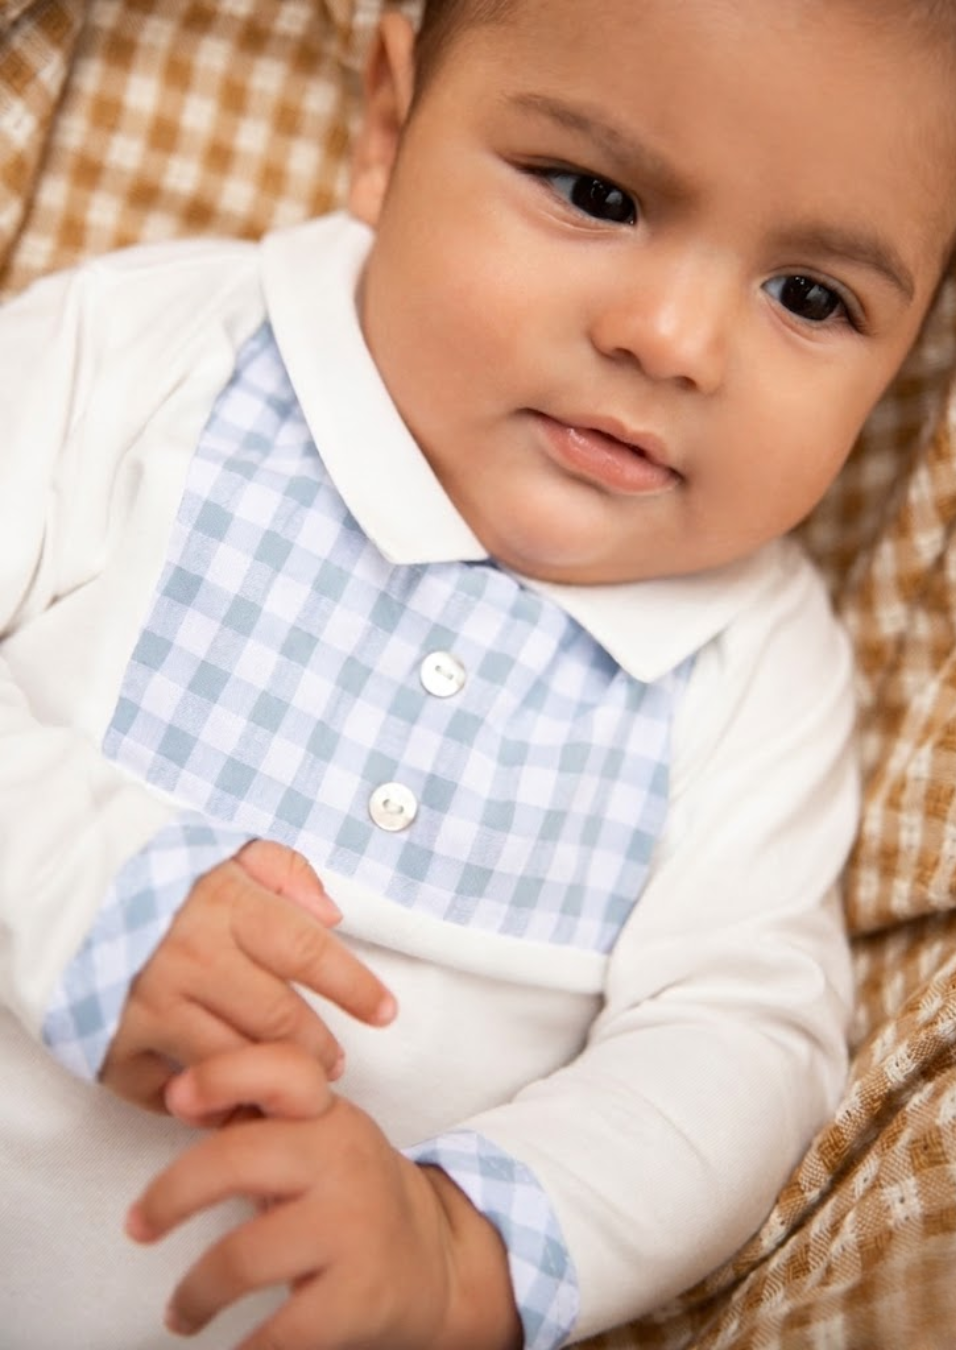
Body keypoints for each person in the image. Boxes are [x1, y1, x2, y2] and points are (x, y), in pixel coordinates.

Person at [1, 0, 954, 1345]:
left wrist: (468, 1239)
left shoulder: (758, 662)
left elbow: (742, 1040)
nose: (674, 339)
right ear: (388, 125)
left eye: (811, 296)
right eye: (595, 193)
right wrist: (82, 885)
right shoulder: (153, 357)